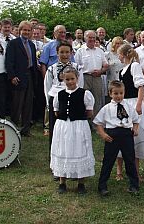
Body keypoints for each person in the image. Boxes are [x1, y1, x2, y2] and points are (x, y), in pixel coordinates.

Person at [50, 66, 95, 194]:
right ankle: (62, 182)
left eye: (72, 79)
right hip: (63, 126)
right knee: (63, 149)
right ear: (63, 80)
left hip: (79, 125)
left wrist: (78, 118)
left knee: (79, 149)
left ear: (77, 78)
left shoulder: (85, 94)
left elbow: (89, 112)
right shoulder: (59, 95)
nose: (70, 82)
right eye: (67, 79)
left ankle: (81, 183)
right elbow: (57, 111)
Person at [94, 81, 140, 196]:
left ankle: (134, 185)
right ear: (110, 94)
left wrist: (135, 128)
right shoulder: (106, 108)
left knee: (130, 160)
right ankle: (102, 186)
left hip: (126, 135)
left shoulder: (129, 106)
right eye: (115, 93)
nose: (118, 96)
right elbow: (98, 123)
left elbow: (136, 120)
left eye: (121, 93)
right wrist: (103, 134)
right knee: (108, 160)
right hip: (112, 135)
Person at [116, 44, 144, 181]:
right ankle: (119, 170)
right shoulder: (121, 71)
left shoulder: (135, 66)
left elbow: (141, 85)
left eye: (119, 54)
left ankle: (135, 173)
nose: (118, 57)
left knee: (135, 138)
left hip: (133, 103)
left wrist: (139, 104)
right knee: (121, 135)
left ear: (125, 54)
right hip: (124, 103)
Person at [44, 41, 83, 165]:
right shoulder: (52, 68)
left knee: (72, 131)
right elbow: (47, 86)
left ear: (71, 53)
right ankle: (55, 162)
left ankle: (73, 160)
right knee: (56, 131)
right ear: (57, 53)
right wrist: (49, 104)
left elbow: (80, 85)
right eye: (62, 52)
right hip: (57, 101)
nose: (65, 55)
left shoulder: (77, 68)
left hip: (73, 101)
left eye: (67, 52)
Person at [5, 21, 37, 136]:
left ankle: (25, 129)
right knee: (17, 104)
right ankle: (13, 129)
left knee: (28, 103)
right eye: (25, 30)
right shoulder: (13, 43)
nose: (27, 32)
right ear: (20, 31)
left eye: (29, 30)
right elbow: (9, 61)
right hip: (18, 76)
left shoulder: (32, 45)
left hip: (29, 76)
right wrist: (12, 76)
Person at [74, 30, 109, 118]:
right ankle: (83, 120)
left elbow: (106, 65)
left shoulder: (100, 51)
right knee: (84, 99)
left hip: (97, 78)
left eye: (93, 37)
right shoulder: (80, 51)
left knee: (97, 100)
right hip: (84, 78)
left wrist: (101, 71)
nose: (92, 39)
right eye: (90, 37)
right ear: (85, 38)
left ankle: (95, 123)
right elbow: (76, 67)